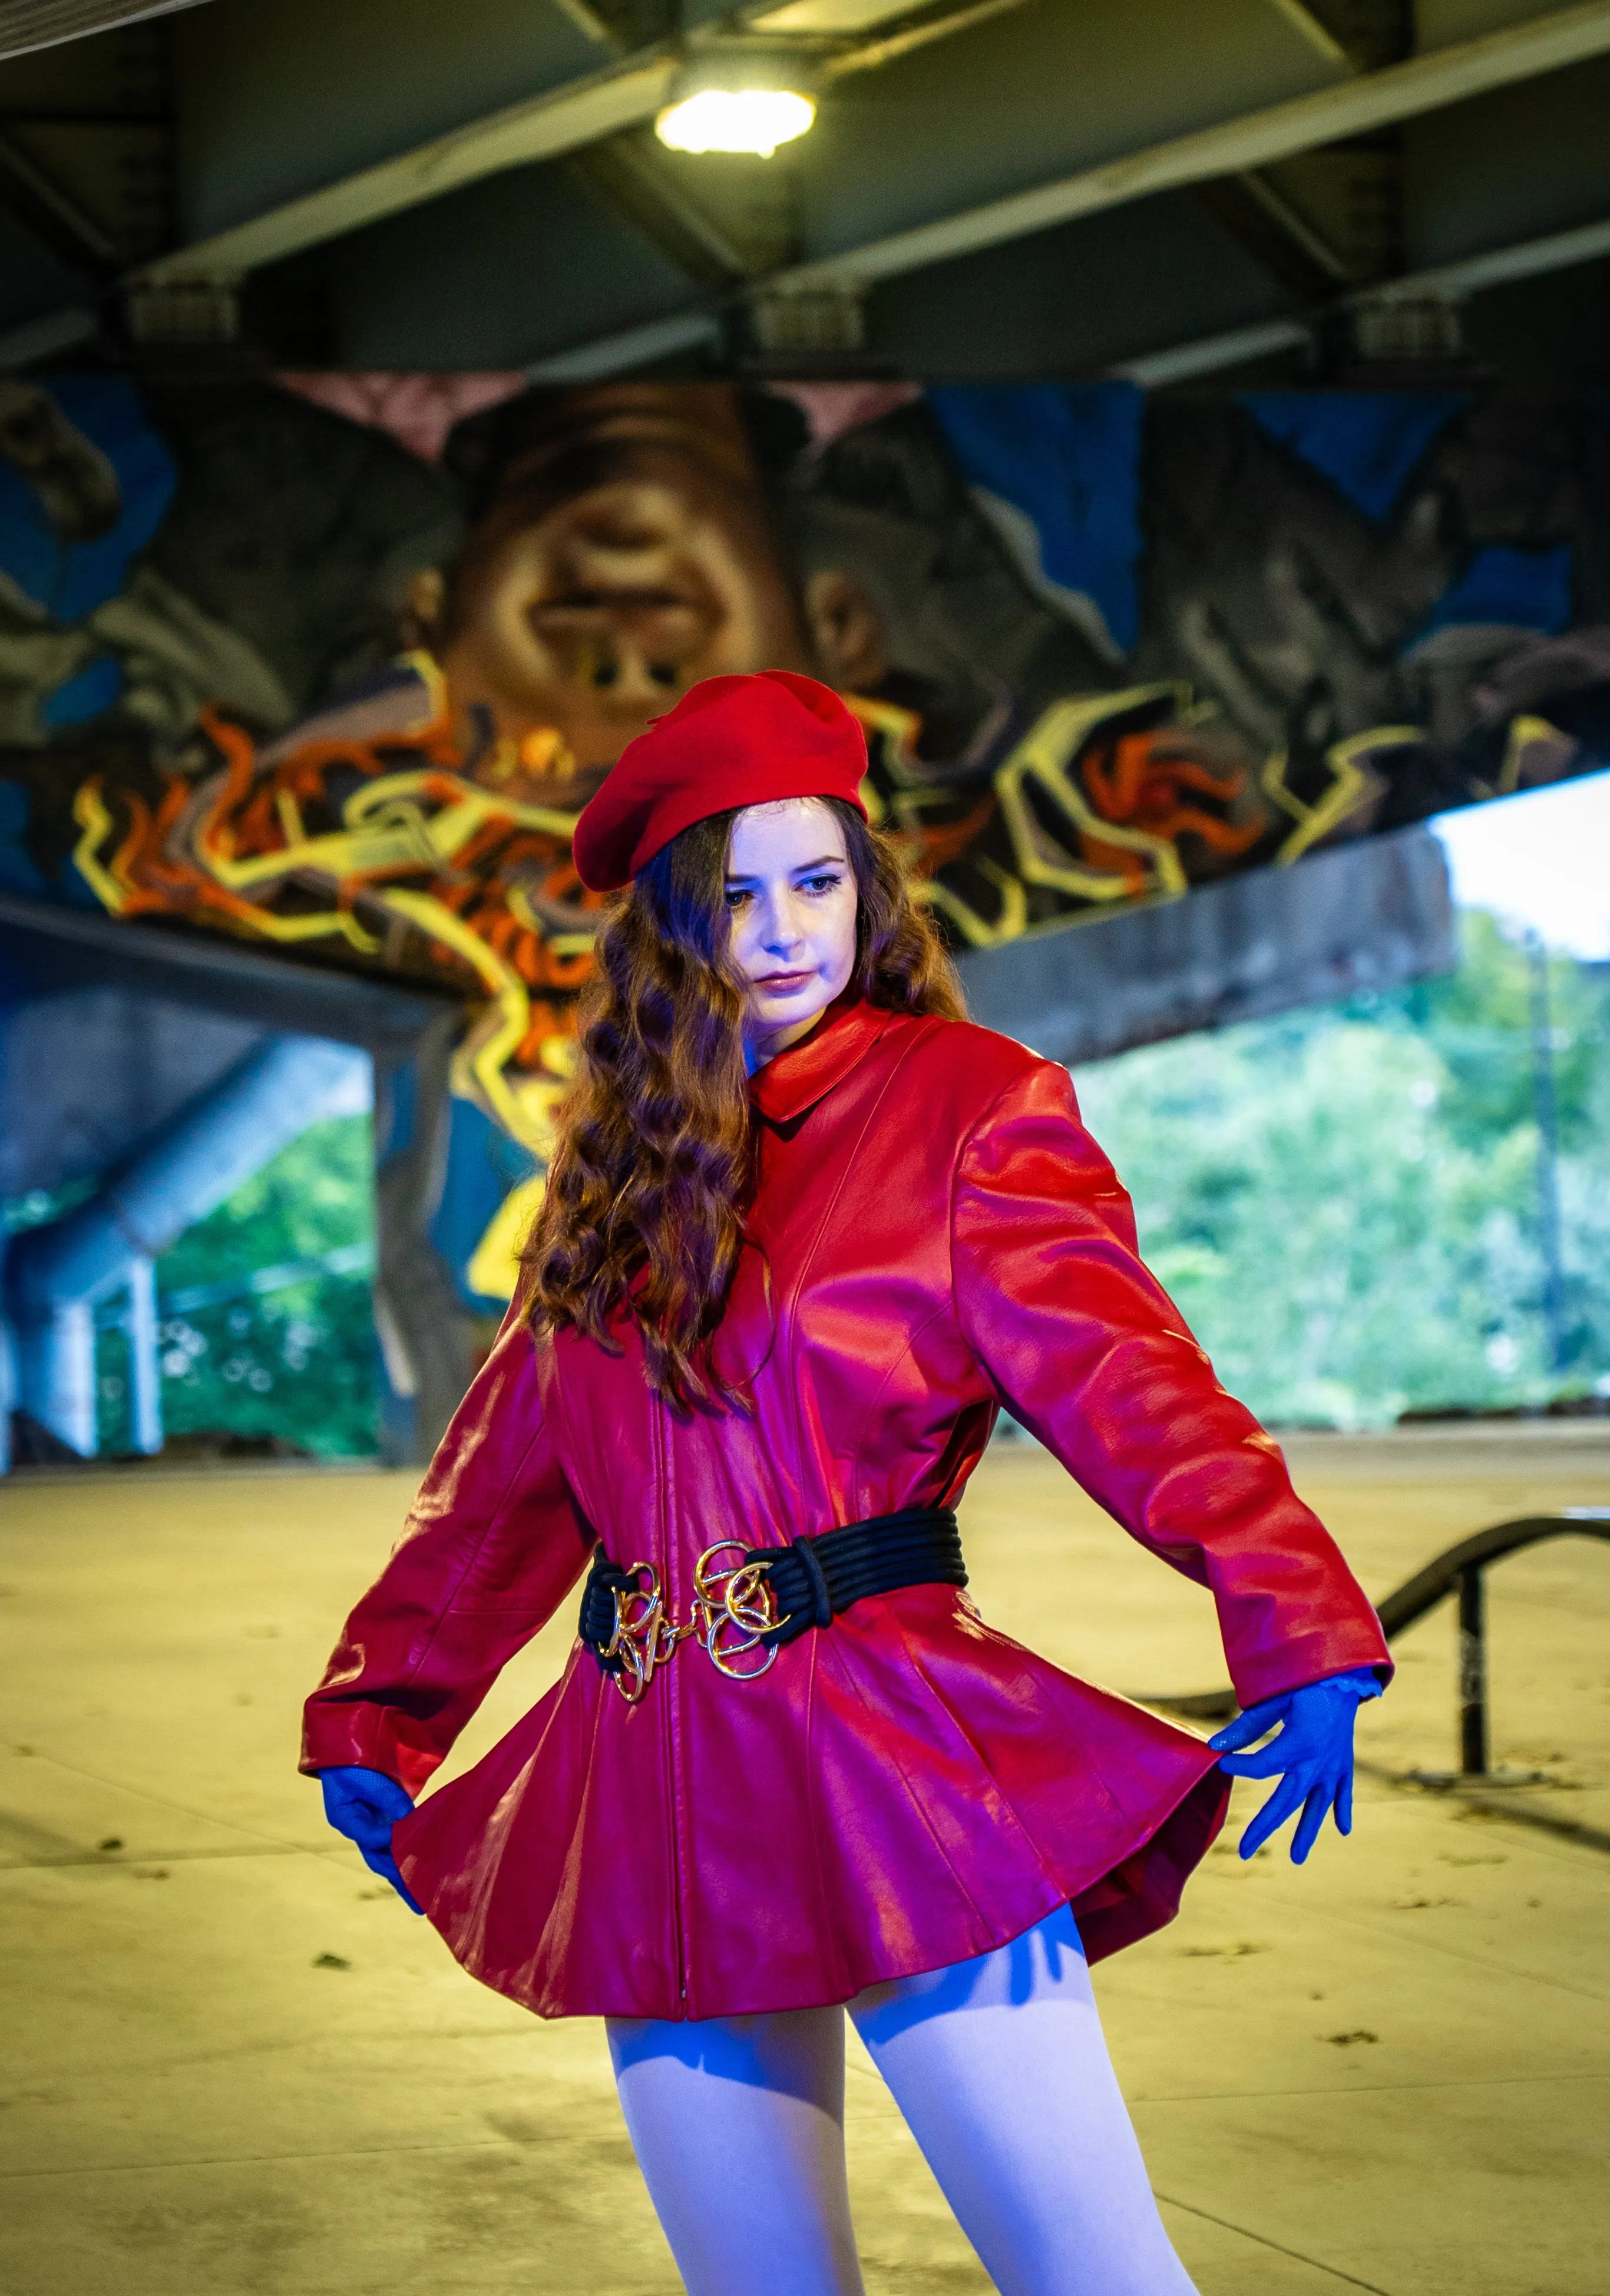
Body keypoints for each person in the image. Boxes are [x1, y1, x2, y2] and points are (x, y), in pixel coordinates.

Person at [302, 670, 1391, 2296]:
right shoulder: (610, 1173)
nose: (782, 931)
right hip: (652, 1780)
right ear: (674, 928)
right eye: (734, 898)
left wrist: (1295, 1615)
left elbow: (1135, 1388)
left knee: (1095, 2278)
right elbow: (496, 1492)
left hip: (889, 1759)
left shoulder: (968, 1107)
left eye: (817, 883)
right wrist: (380, 1706)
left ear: (865, 892)